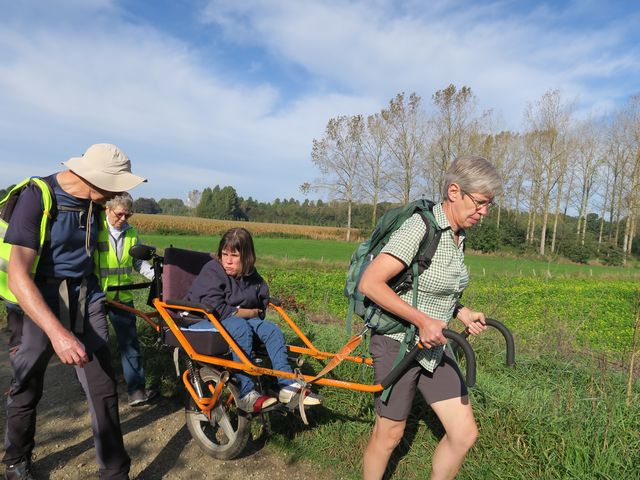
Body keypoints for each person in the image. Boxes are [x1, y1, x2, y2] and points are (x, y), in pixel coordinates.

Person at [1, 143, 146, 480]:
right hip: (37, 295)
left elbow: (89, 259)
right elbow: (19, 276)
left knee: (102, 385)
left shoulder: (95, 204)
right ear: (96, 180)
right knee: (27, 382)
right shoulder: (38, 196)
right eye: (116, 184)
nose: (120, 193)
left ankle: (115, 472)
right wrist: (58, 333)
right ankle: (15, 460)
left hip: (85, 294)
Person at [359, 156, 502, 480]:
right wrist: (422, 320)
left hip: (434, 345)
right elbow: (371, 283)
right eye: (480, 203)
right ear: (454, 191)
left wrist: (462, 312)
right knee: (389, 436)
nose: (484, 212)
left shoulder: (456, 236)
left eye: (488, 205)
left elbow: (432, 289)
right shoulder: (420, 228)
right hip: (398, 344)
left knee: (464, 434)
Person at [186, 227, 322, 413]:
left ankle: (288, 387)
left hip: (232, 321)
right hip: (201, 319)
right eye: (224, 254)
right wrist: (250, 312)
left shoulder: (251, 275)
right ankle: (247, 394)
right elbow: (219, 310)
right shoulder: (213, 270)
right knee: (240, 326)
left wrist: (253, 312)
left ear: (247, 257)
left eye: (234, 255)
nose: (228, 260)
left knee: (271, 329)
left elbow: (262, 300)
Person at [94, 192, 157, 406]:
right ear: (107, 209)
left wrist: (159, 276)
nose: (123, 219)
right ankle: (97, 389)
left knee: (129, 344)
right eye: (120, 214)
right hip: (98, 296)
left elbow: (138, 263)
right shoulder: (95, 230)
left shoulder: (131, 233)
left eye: (127, 216)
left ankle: (136, 391)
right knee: (96, 344)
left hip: (123, 296)